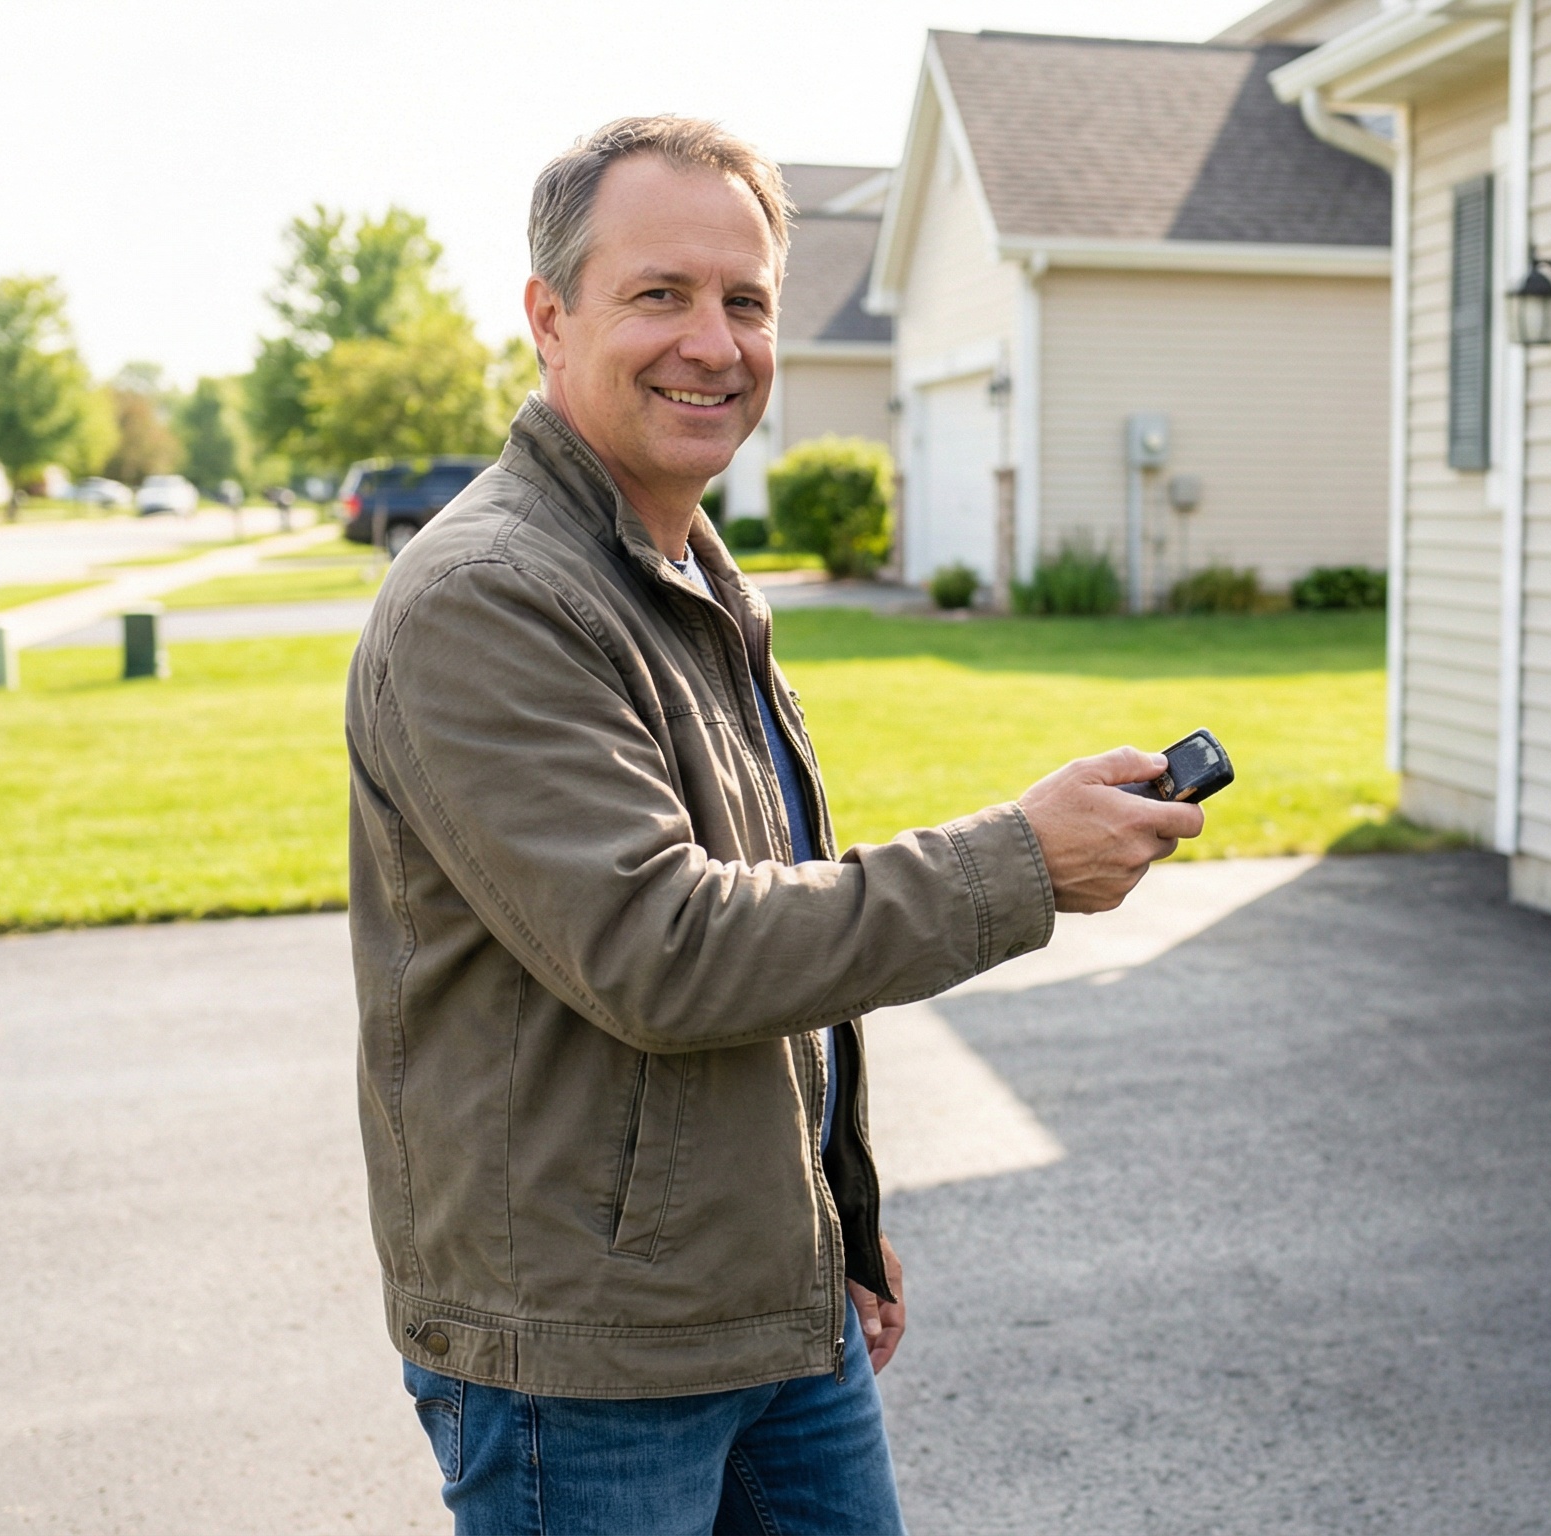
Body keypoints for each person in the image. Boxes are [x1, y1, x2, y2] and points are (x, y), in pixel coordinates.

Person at [342, 115, 1204, 1534]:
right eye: (661, 295)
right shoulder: (490, 596)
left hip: (771, 1315)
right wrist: (1020, 863)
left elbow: (778, 930)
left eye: (746, 301)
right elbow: (665, 950)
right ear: (550, 319)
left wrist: (838, 1232)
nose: (714, 342)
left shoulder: (682, 572)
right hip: (591, 1359)